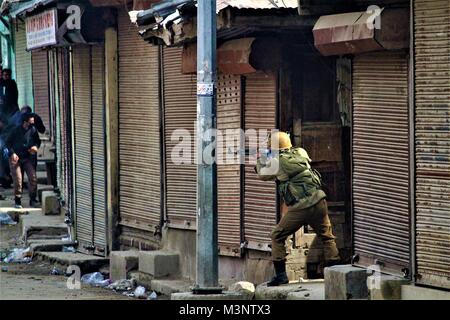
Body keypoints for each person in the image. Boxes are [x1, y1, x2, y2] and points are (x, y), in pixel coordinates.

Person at [255, 131, 340, 286]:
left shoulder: (278, 162)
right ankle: (337, 274)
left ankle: (281, 275)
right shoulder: (301, 152)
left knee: (277, 235)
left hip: (302, 207)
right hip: (319, 200)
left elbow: (262, 174)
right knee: (327, 237)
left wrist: (261, 158)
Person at [5, 112, 41, 208]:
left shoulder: (33, 130)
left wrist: (35, 147)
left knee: (33, 177)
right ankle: (17, 200)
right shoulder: (15, 130)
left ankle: (33, 199)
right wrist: (12, 153)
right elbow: (7, 143)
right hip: (16, 159)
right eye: (31, 118)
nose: (33, 119)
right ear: (26, 121)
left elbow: (38, 141)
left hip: (28, 157)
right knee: (18, 180)